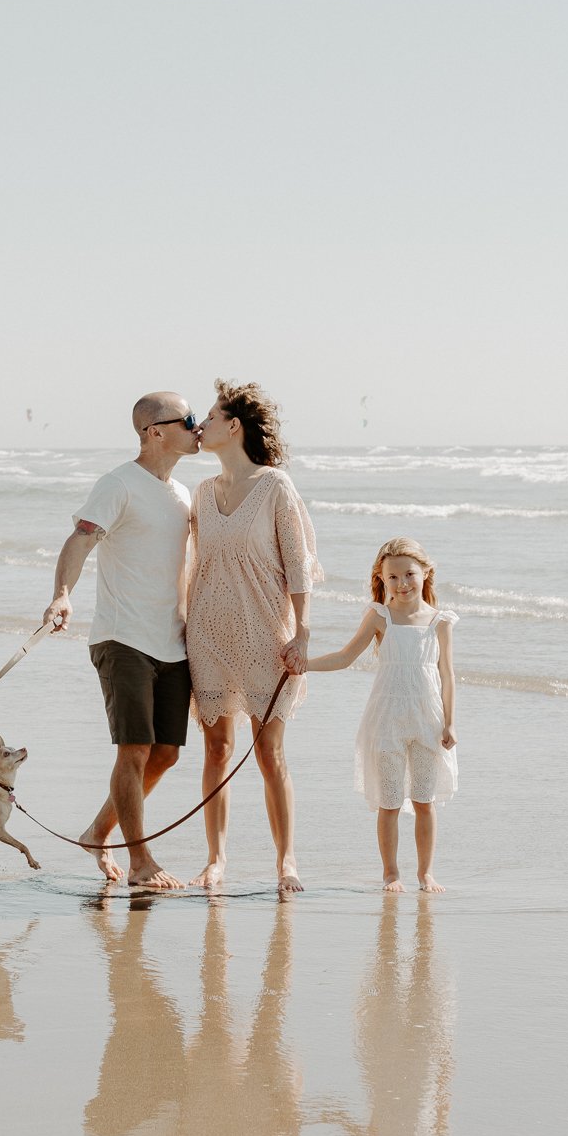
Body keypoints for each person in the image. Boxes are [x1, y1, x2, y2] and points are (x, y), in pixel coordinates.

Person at [44, 391, 202, 889]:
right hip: (122, 637)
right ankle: (139, 861)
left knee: (166, 753)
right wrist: (62, 594)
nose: (197, 427)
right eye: (188, 419)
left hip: (172, 641)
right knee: (134, 750)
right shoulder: (118, 484)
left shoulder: (182, 495)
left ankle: (98, 832)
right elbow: (81, 539)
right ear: (154, 431)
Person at [186, 379, 320, 893]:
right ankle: (216, 860)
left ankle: (286, 861)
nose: (199, 426)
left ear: (233, 425)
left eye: (209, 417)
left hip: (267, 634)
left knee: (270, 753)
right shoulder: (201, 493)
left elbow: (299, 565)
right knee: (217, 749)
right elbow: (190, 565)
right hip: (208, 634)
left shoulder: (274, 487)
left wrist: (303, 633)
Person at [299, 537, 458, 893]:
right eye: (393, 577)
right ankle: (391, 873)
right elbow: (344, 657)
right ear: (382, 579)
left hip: (427, 719)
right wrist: (302, 665)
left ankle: (426, 873)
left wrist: (450, 722)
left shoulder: (440, 622)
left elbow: (447, 676)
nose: (402, 584)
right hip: (387, 718)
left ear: (426, 573)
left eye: (409, 574)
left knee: (423, 800)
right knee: (389, 801)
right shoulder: (379, 616)